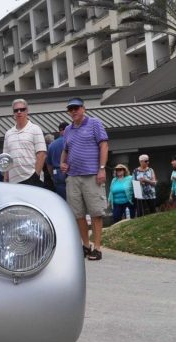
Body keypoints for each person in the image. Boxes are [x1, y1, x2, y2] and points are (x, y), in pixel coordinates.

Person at [59, 97, 109, 261]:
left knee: (96, 213)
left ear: (83, 108)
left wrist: (101, 169)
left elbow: (104, 145)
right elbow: (65, 150)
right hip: (73, 177)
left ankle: (98, 247)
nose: (73, 111)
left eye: (76, 108)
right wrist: (62, 163)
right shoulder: (68, 130)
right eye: (70, 109)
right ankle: (86, 245)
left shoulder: (95, 123)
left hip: (92, 175)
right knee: (78, 214)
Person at [3, 99, 47, 188]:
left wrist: (36, 176)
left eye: (22, 109)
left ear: (27, 111)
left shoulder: (35, 129)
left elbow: (41, 154)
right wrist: (5, 179)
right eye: (16, 110)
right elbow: (6, 159)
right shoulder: (8, 133)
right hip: (14, 182)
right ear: (13, 113)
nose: (19, 112)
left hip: (32, 177)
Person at [45, 121, 69, 200]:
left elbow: (49, 164)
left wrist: (52, 175)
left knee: (62, 199)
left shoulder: (52, 145)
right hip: (70, 171)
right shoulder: (71, 141)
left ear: (59, 130)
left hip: (57, 172)